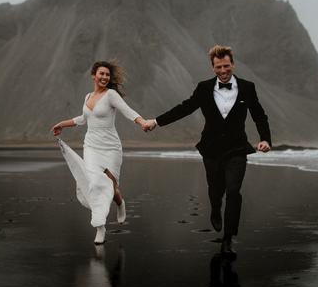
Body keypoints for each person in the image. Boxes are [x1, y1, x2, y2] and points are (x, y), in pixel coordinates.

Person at [142, 45, 271, 258]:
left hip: (237, 149)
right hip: (211, 149)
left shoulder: (248, 87)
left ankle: (228, 239)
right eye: (219, 67)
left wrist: (265, 139)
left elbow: (259, 115)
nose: (223, 71)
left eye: (226, 66)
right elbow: (184, 108)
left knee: (233, 191)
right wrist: (156, 121)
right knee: (215, 188)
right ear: (213, 68)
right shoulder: (203, 88)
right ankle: (214, 208)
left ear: (233, 64)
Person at [51, 61, 149, 245]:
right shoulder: (88, 96)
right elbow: (83, 119)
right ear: (93, 75)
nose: (104, 77)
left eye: (107, 75)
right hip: (91, 147)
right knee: (96, 185)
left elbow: (127, 111)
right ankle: (100, 227)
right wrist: (61, 124)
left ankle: (120, 204)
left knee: (111, 188)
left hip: (111, 148)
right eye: (101, 74)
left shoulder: (111, 95)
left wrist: (142, 122)